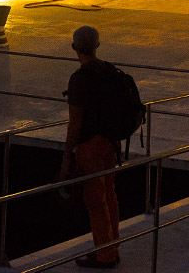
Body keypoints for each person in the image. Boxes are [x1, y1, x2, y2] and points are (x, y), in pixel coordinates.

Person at [59, 26, 121, 269]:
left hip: (90, 147)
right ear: (97, 46)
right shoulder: (109, 71)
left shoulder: (79, 79)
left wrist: (66, 156)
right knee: (110, 196)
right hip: (110, 142)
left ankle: (105, 256)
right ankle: (112, 247)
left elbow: (75, 124)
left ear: (74, 48)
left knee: (96, 202)